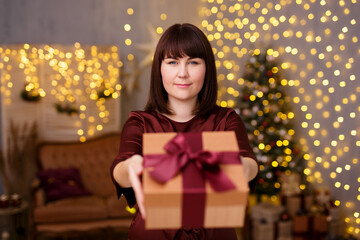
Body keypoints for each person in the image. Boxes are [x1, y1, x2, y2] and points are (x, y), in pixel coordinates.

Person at [110, 23, 258, 240]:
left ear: (207, 68)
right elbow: (120, 169)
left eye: (193, 62)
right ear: (159, 68)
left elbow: (248, 162)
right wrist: (131, 166)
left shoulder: (226, 120)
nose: (182, 73)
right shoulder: (140, 123)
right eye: (172, 62)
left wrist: (242, 167)